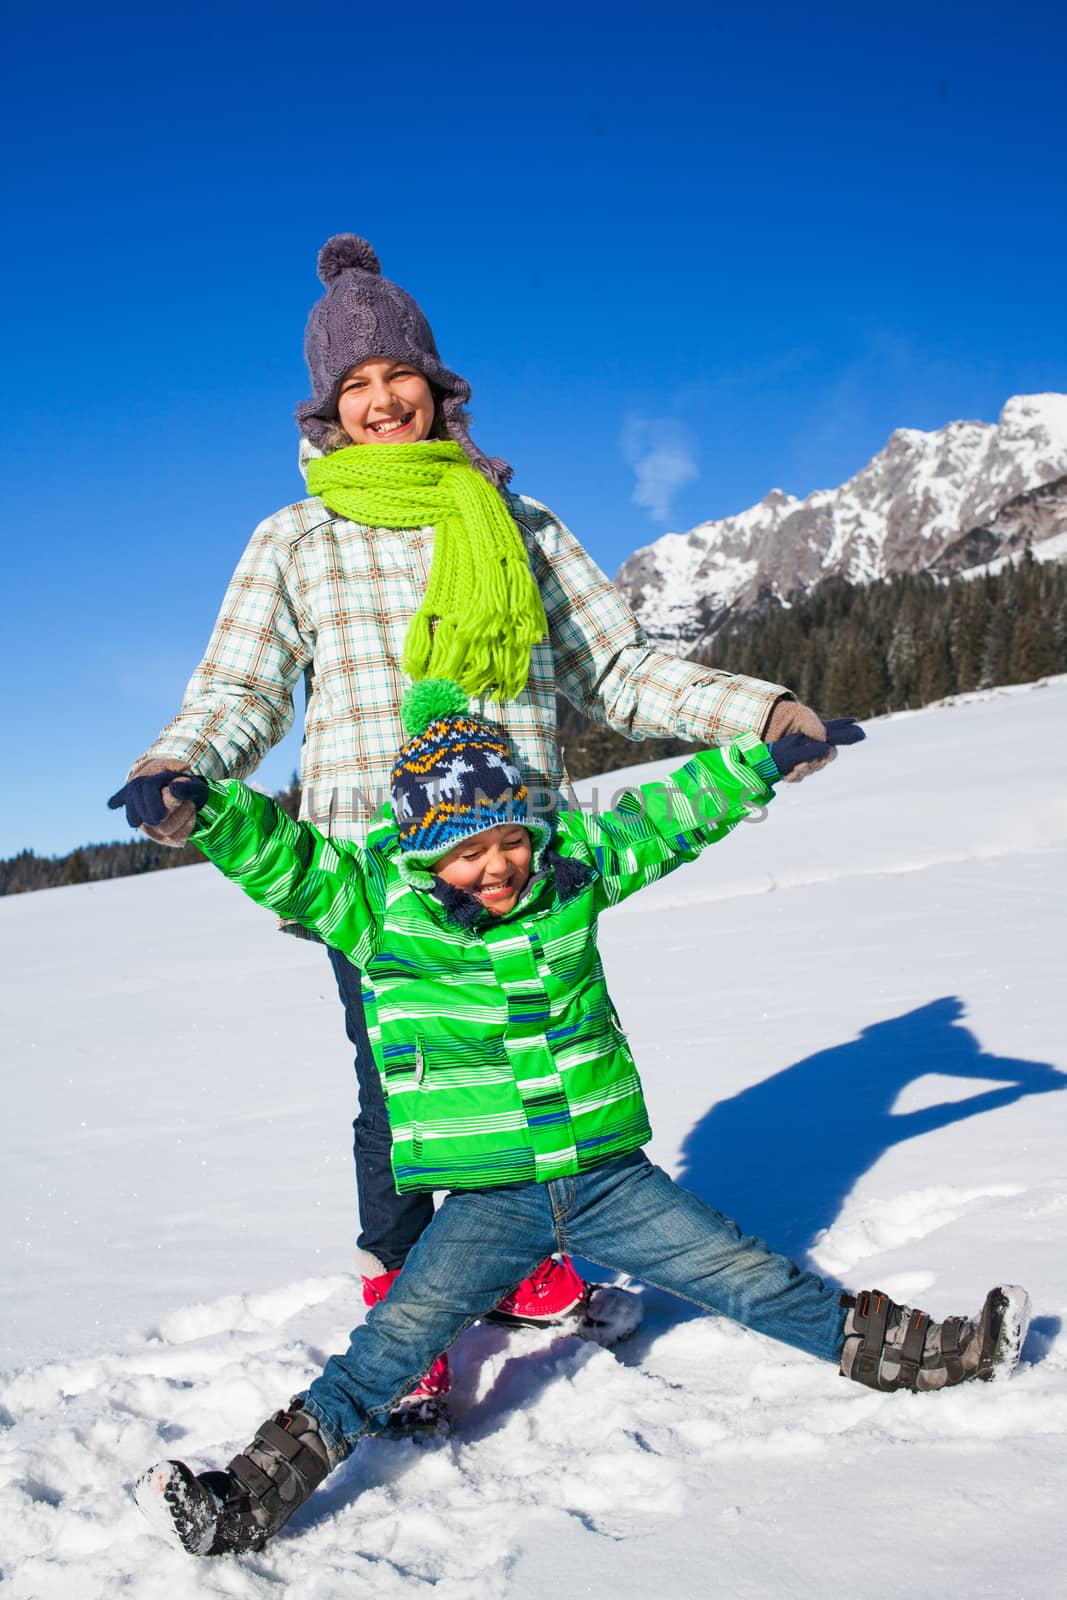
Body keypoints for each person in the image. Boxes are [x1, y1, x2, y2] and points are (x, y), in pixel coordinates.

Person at [123, 231, 840, 1417]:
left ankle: (520, 1266)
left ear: (435, 384)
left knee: (535, 1059)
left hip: (525, 857)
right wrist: (180, 767)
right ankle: (404, 1315)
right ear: (325, 411)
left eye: (394, 372)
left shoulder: (521, 521)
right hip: (373, 866)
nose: (379, 397)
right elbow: (243, 690)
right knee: (401, 1081)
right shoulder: (294, 540)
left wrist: (758, 713)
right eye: (351, 384)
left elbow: (616, 668)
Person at [112, 684, 1030, 1559]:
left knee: (756, 1280)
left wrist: (755, 763)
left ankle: (939, 1356)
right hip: (486, 1202)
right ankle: (240, 1507)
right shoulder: (377, 911)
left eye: (508, 838)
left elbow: (661, 820)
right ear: (424, 853)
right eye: (468, 852)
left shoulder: (570, 873)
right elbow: (292, 859)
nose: (497, 865)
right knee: (383, 1351)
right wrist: (210, 812)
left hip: (608, 1180)